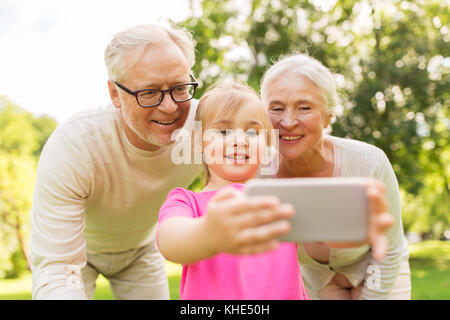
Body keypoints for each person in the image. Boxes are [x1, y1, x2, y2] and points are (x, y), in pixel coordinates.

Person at [30, 23, 292, 300]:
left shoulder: (208, 127)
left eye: (180, 87)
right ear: (115, 94)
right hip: (79, 249)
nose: (170, 108)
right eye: (149, 92)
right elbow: (58, 269)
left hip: (142, 248)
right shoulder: (75, 146)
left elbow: (272, 147)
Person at [260, 53, 411, 300]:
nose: (287, 122)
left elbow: (390, 249)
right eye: (276, 108)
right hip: (318, 281)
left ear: (329, 116)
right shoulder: (256, 175)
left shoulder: (369, 162)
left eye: (304, 108)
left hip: (381, 269)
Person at [157, 81, 310, 299]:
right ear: (199, 142)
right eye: (224, 131)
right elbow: (170, 240)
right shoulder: (186, 202)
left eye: (252, 132)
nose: (240, 140)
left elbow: (327, 243)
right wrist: (209, 231)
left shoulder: (282, 199)